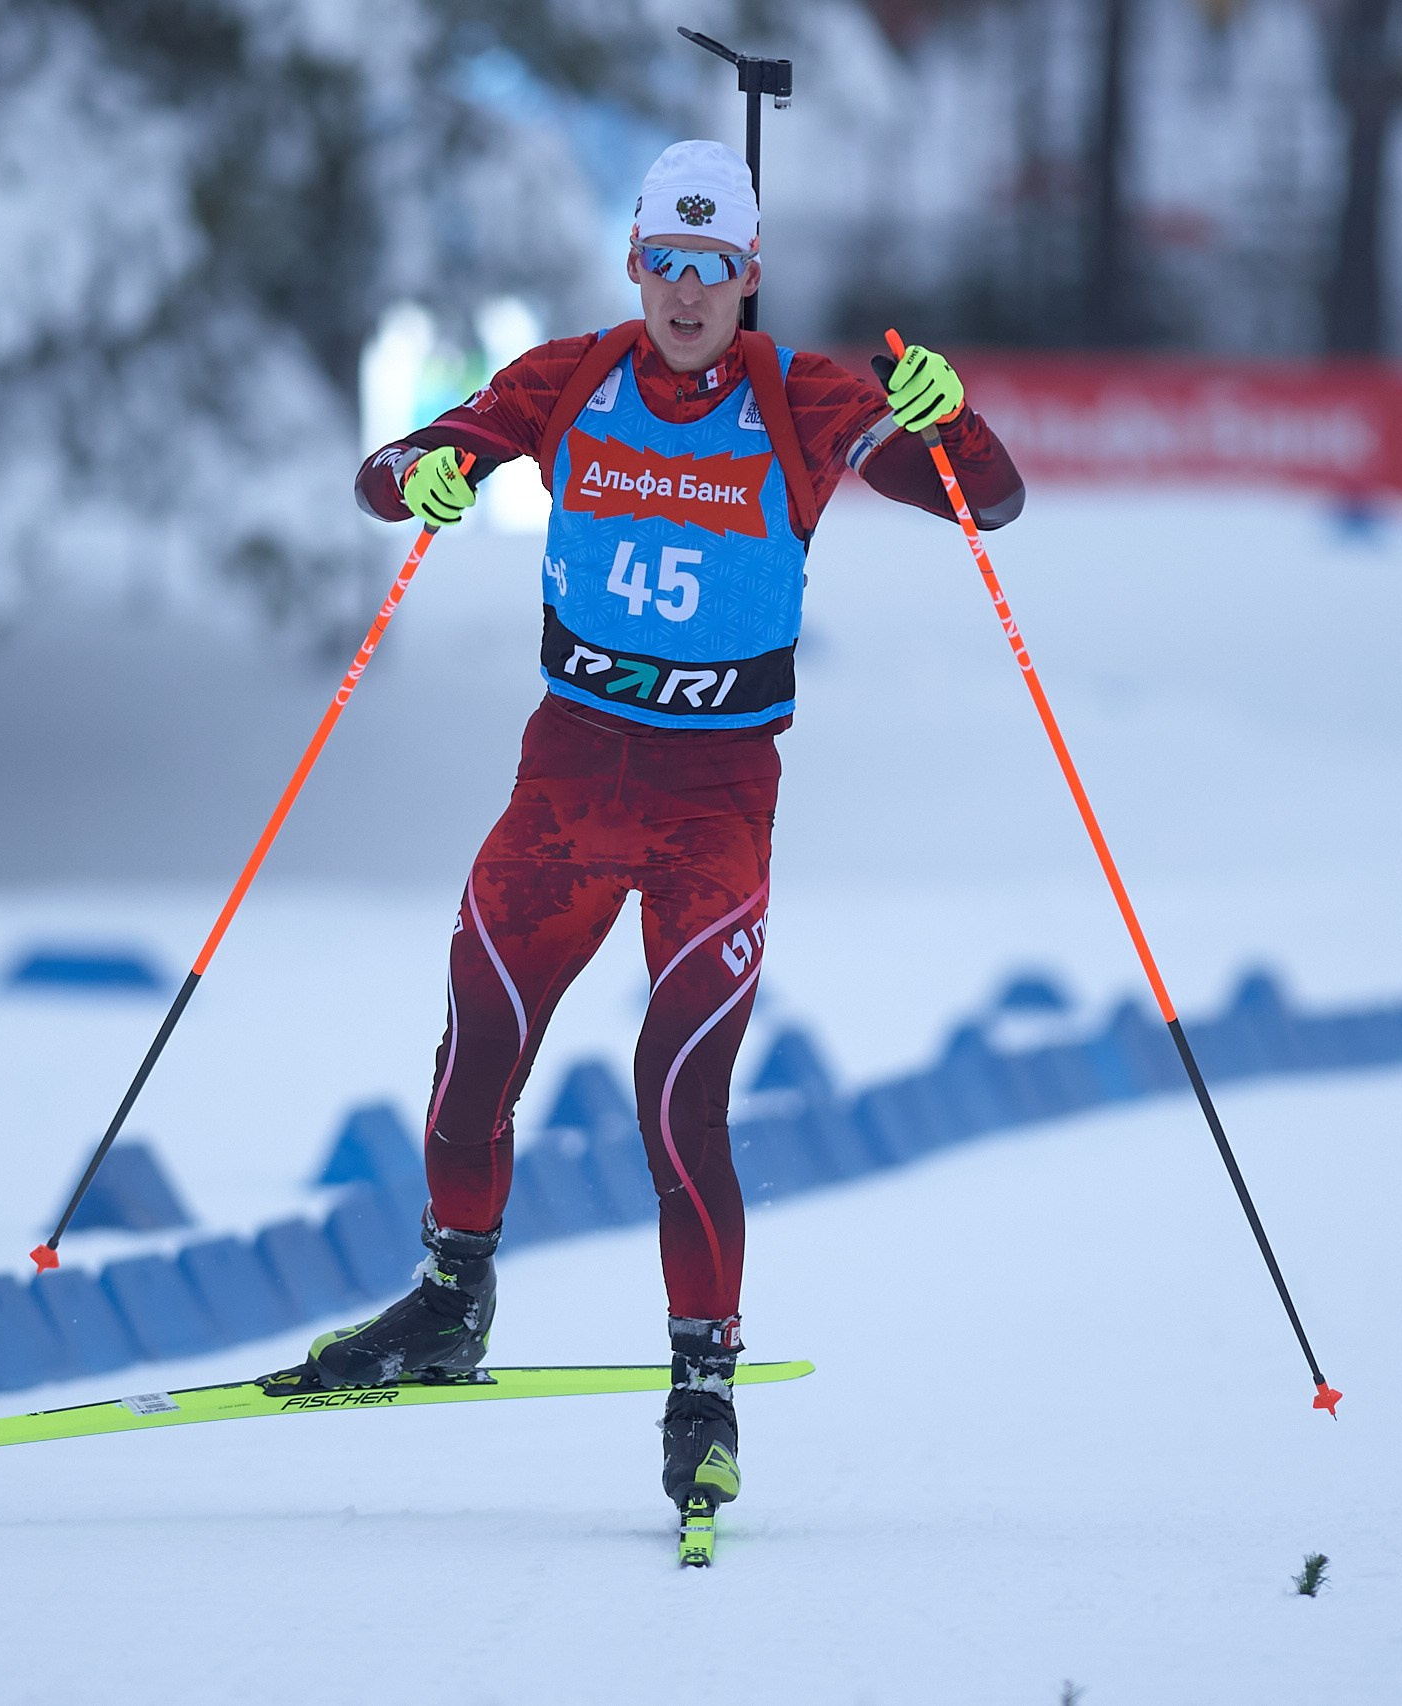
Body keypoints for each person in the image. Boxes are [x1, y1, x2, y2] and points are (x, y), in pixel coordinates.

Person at [294, 141, 1026, 1526]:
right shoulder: (571, 376)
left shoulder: (805, 397)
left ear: (750, 277)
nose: (688, 291)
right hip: (567, 782)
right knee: (473, 1052)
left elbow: (987, 501)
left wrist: (950, 418)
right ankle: (451, 1299)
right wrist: (425, 482)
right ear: (635, 263)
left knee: (678, 1095)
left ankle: (703, 1389)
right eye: (666, 263)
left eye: (716, 267)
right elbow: (395, 467)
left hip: (714, 803)